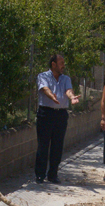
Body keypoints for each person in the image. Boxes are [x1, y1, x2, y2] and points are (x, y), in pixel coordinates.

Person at [35, 54, 80, 184]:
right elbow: (45, 89)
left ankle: (53, 175)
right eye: (61, 63)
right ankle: (40, 175)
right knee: (43, 145)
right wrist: (52, 97)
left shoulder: (66, 78)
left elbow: (69, 90)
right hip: (46, 114)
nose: (63, 65)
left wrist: (72, 97)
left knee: (57, 146)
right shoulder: (43, 76)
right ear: (53, 64)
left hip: (61, 115)